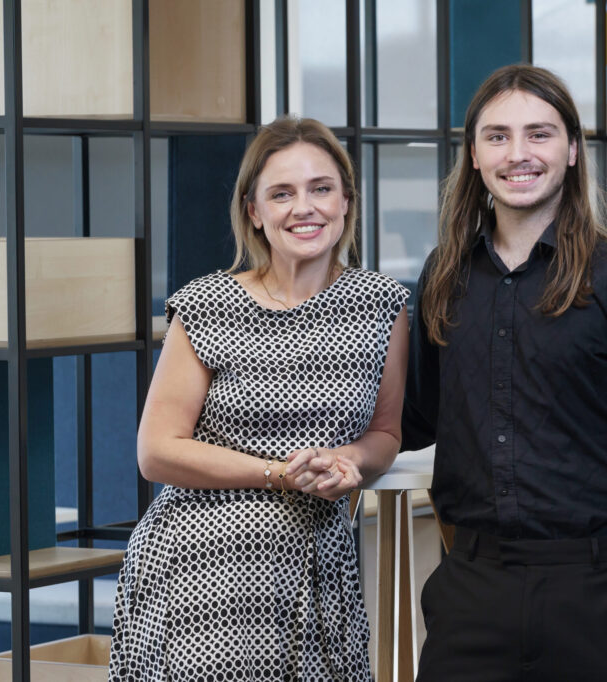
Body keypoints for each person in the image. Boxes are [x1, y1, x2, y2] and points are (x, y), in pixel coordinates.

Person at [402, 65, 607, 681]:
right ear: (475, 155)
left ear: (571, 150)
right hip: (472, 591)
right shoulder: (443, 276)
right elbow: (417, 415)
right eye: (498, 136)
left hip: (597, 594)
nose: (518, 155)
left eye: (538, 134)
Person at [108, 116, 409, 681]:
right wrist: (280, 474)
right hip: (199, 569)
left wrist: (349, 464)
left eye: (321, 188)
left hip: (316, 567)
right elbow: (156, 451)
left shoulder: (382, 305)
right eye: (282, 193)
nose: (305, 207)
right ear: (254, 211)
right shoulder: (206, 304)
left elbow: (386, 434)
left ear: (347, 200)